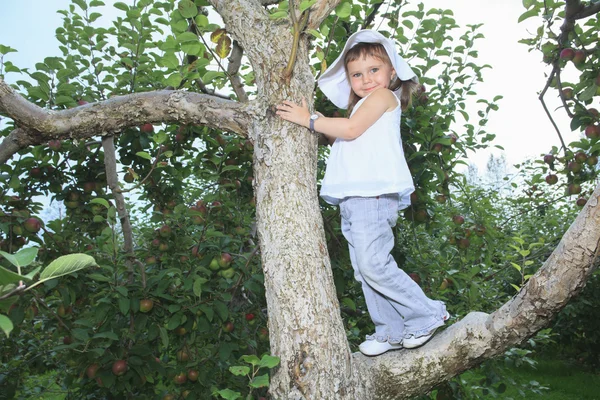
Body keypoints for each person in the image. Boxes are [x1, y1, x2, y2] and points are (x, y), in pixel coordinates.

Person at [276, 29, 449, 356]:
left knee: (374, 264)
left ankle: (427, 313)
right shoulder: (362, 107)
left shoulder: (384, 98)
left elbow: (351, 131)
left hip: (374, 194)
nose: (366, 79)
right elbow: (345, 138)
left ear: (392, 72)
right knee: (363, 267)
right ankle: (390, 330)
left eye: (374, 70)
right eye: (357, 74)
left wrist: (310, 120)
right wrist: (315, 122)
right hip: (354, 199)